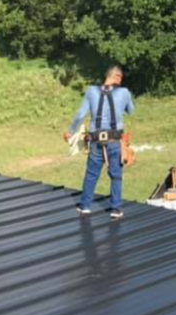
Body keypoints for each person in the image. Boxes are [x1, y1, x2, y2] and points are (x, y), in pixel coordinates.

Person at [65, 65, 135, 221]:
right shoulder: (124, 92)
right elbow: (131, 111)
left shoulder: (91, 91)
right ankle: (115, 209)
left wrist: (71, 131)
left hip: (96, 140)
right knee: (116, 175)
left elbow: (81, 114)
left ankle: (85, 206)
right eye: (120, 79)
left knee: (91, 174)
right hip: (114, 140)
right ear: (117, 77)